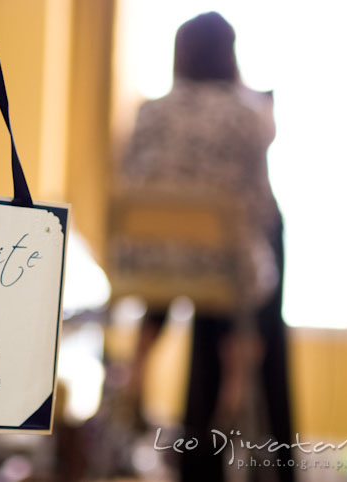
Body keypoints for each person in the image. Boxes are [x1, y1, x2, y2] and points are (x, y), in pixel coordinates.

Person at [119, 11, 293, 481]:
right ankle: (237, 372)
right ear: (229, 57)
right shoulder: (246, 114)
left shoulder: (148, 111)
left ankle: (137, 363)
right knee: (258, 252)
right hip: (223, 271)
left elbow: (130, 179)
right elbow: (260, 208)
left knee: (183, 260)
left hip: (150, 267)